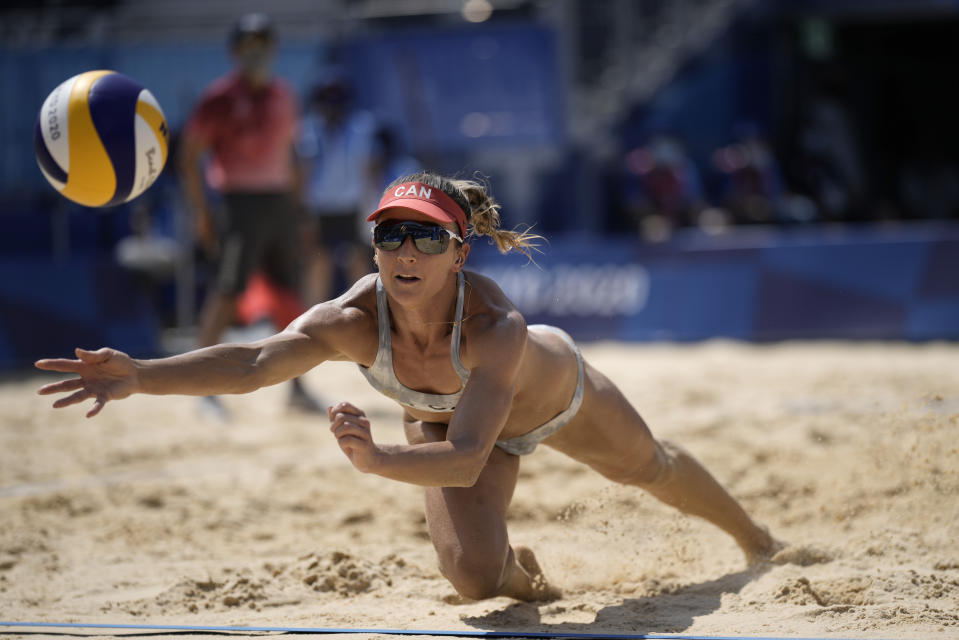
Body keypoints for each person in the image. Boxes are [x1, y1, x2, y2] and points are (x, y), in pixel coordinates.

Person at [36, 171, 782, 602]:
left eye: (426, 236)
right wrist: (141, 374)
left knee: (645, 466)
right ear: (373, 246)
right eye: (390, 233)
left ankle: (757, 541)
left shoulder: (496, 326)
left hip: (548, 399)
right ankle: (521, 574)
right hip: (442, 423)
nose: (405, 250)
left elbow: (462, 459)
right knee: (472, 584)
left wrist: (377, 462)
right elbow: (256, 364)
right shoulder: (354, 318)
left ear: (458, 254)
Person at [178, 12, 320, 417]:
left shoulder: (283, 96)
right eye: (248, 44)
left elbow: (291, 156)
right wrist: (202, 213)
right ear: (236, 51)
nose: (256, 52)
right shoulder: (219, 98)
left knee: (289, 300)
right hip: (238, 205)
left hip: (278, 204)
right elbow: (189, 158)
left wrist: (299, 210)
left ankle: (297, 387)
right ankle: (202, 388)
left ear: (272, 49)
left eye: (262, 43)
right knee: (227, 294)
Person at [297, 74, 378, 306]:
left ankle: (367, 310)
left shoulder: (361, 128)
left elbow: (367, 169)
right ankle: (311, 316)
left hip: (353, 206)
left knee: (358, 259)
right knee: (318, 262)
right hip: (320, 208)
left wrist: (370, 207)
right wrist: (302, 212)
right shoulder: (309, 129)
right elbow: (304, 172)